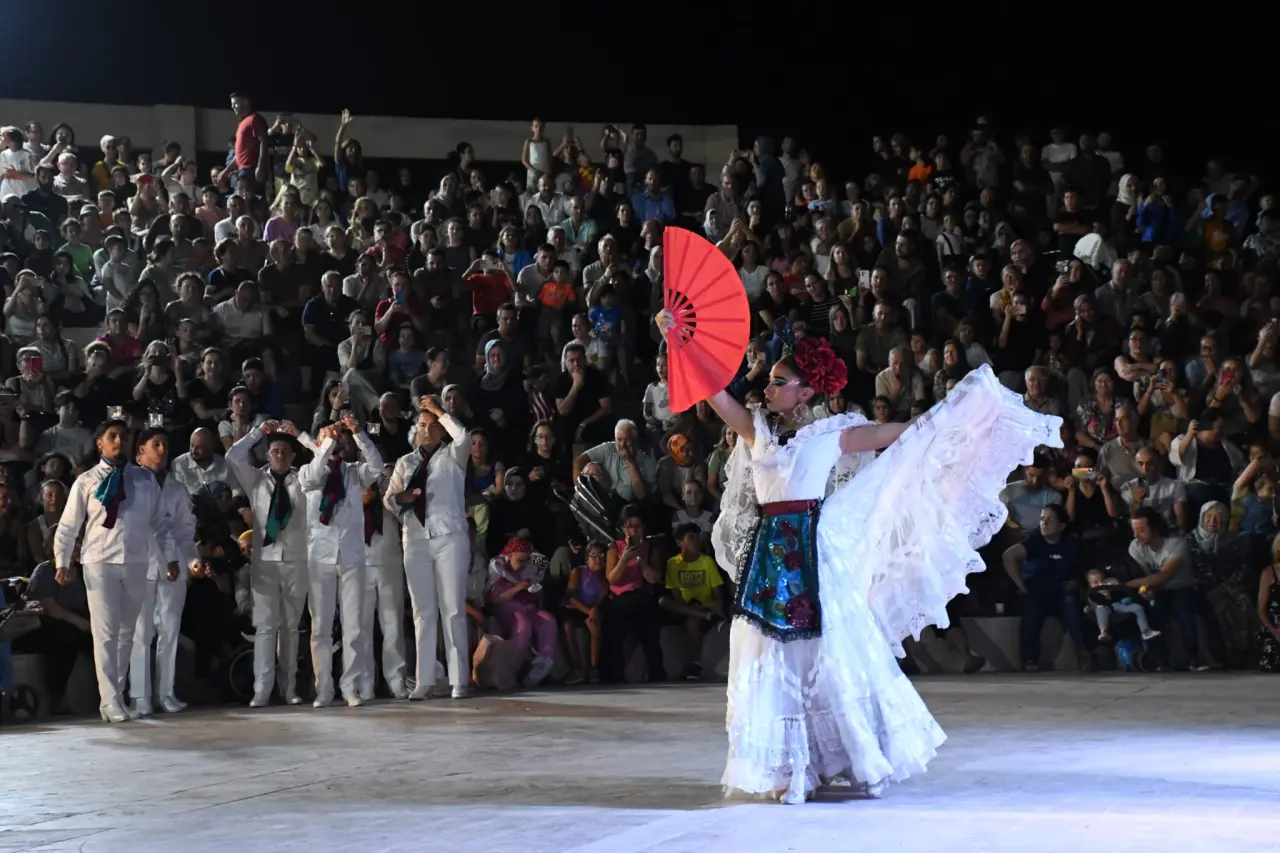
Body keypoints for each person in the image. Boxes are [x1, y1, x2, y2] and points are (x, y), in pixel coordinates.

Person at [654, 310, 1061, 803]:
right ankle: (788, 766)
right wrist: (677, 338)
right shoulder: (756, 430)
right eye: (771, 380)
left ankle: (840, 758)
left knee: (828, 655)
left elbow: (909, 435)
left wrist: (961, 411)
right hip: (770, 558)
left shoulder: (833, 434)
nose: (768, 387)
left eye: (780, 381)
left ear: (807, 392)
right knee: (768, 655)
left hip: (813, 551)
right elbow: (713, 390)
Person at [52, 419, 196, 723]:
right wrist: (62, 562)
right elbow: (68, 526)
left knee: (127, 634)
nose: (119, 441)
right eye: (112, 436)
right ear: (100, 444)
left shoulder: (143, 480)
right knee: (105, 633)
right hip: (99, 561)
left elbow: (161, 524)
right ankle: (109, 699)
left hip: (135, 562)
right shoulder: (87, 481)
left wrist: (171, 557)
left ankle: (114, 697)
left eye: (123, 436)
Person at [384, 395, 474, 700]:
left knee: (452, 609)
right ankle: (424, 680)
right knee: (422, 612)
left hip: (449, 538)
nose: (428, 430)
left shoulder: (454, 455)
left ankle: (459, 680)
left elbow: (464, 436)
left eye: (434, 425)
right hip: (416, 539)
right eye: (423, 425)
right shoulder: (405, 462)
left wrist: (440, 411)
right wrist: (401, 499)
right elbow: (389, 498)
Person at [299, 415, 383, 707]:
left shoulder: (353, 473)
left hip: (351, 555)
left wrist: (359, 434)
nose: (335, 439)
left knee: (354, 626)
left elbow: (376, 466)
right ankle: (324, 688)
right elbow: (311, 477)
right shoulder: (309, 472)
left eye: (338, 437)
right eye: (327, 435)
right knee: (320, 626)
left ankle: (351, 685)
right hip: (319, 556)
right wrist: (325, 444)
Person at [226, 419, 309, 707]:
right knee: (265, 627)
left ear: (293, 455)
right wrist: (258, 432)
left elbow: (322, 462)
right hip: (265, 562)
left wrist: (299, 433)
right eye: (274, 450)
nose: (280, 455)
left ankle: (289, 688)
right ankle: (262, 688)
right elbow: (232, 456)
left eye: (285, 450)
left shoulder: (302, 479)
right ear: (267, 454)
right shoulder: (256, 479)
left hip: (296, 560)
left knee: (290, 627)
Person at [127, 426, 201, 716]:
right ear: (140, 451)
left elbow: (185, 532)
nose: (162, 450)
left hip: (174, 568)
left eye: (165, 445)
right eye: (155, 444)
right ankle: (139, 697)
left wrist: (194, 561)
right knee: (141, 633)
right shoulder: (131, 485)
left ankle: (165, 693)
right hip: (141, 565)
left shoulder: (177, 489)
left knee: (169, 631)